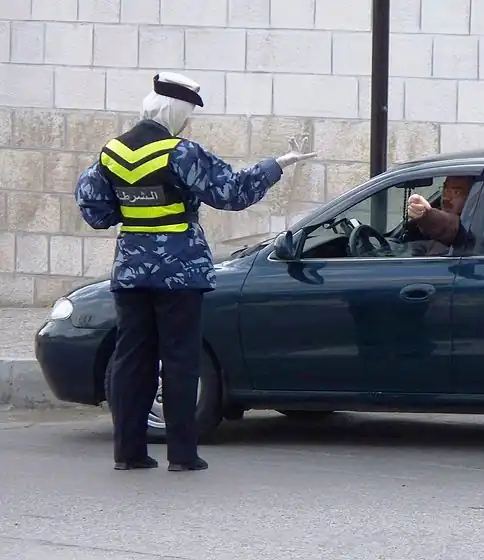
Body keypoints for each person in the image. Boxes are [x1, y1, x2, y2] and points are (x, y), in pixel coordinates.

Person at [75, 72, 317, 473]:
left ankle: (128, 452)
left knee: (131, 359)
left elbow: (95, 210)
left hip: (132, 269)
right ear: (176, 111)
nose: (187, 122)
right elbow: (232, 193)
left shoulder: (111, 154)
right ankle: (182, 455)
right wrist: (277, 165)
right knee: (180, 360)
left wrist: (133, 212)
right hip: (179, 272)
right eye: (187, 114)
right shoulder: (180, 153)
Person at [405, 176, 473, 254]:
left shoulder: (470, 227)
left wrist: (426, 215)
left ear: (470, 198)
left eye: (456, 192)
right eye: (445, 189)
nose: (447, 197)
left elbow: (448, 225)